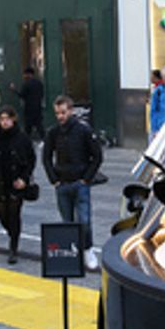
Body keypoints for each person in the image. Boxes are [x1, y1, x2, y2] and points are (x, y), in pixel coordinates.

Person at [44, 95, 103, 264]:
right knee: (67, 222)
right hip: (62, 183)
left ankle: (87, 249)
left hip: (79, 182)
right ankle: (73, 251)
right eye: (57, 113)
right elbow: (46, 157)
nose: (60, 116)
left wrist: (86, 178)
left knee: (84, 221)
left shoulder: (83, 130)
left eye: (63, 112)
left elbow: (97, 156)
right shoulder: (53, 132)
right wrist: (54, 179)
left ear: (71, 111)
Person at [0, 107, 36, 264]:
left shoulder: (22, 138)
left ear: (13, 119)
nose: (4, 122)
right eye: (1, 119)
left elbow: (31, 160)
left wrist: (24, 178)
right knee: (2, 215)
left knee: (14, 214)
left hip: (16, 182)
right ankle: (12, 233)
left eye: (7, 119)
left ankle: (13, 246)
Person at [14, 67, 46, 141]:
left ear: (28, 74)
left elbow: (22, 94)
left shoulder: (27, 84)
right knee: (39, 126)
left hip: (29, 108)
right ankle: (45, 140)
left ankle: (26, 141)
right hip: (38, 108)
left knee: (28, 127)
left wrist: (14, 90)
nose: (24, 76)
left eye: (25, 74)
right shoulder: (39, 83)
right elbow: (42, 94)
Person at [148, 69, 165, 137]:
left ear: (156, 77)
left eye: (152, 76)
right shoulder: (159, 89)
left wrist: (155, 128)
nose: (150, 78)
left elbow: (155, 109)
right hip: (160, 123)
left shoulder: (159, 90)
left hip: (159, 123)